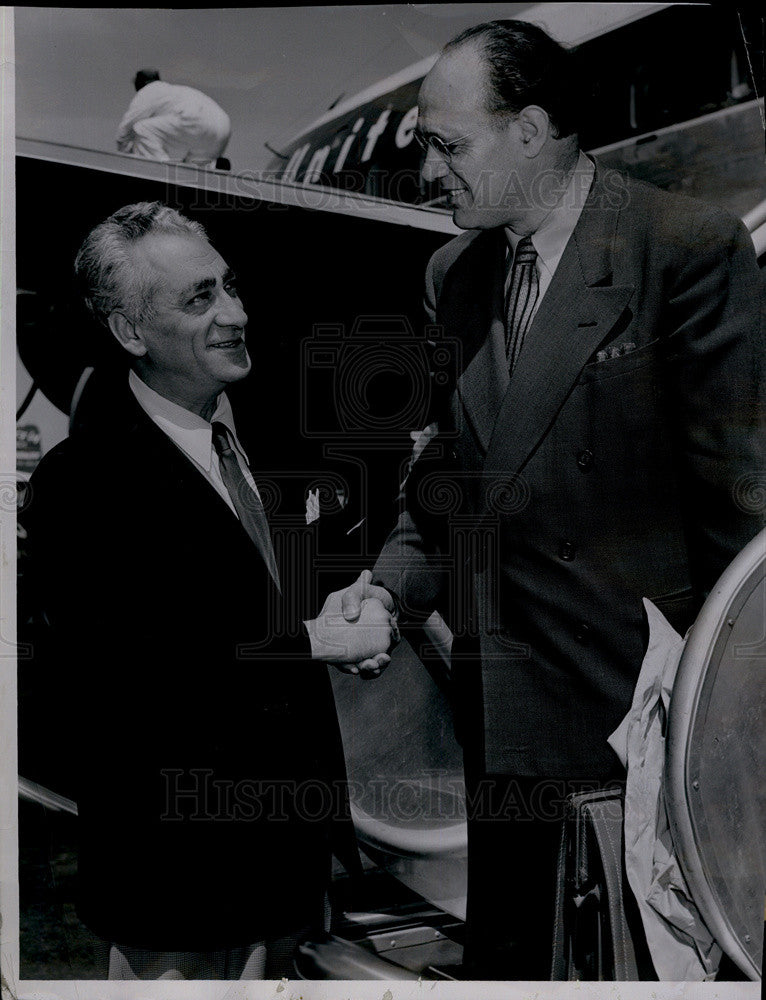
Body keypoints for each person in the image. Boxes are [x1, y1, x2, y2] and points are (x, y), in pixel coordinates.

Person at [336, 19, 765, 979]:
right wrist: (387, 590)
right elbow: (448, 473)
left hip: (637, 735)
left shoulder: (682, 250)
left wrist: (732, 738)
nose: (428, 173)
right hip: (502, 720)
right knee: (515, 965)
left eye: (449, 146)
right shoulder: (454, 275)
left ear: (531, 131)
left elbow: (746, 515)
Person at [19, 202, 394, 980]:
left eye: (229, 286)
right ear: (129, 334)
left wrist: (324, 614)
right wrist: (311, 642)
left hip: (294, 871)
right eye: (200, 299)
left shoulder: (260, 448)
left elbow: (242, 614)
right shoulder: (82, 482)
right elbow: (130, 669)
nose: (236, 313)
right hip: (181, 890)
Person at [116, 69, 231, 168]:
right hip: (223, 126)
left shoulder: (149, 90)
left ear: (140, 82)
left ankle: (159, 173)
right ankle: (214, 169)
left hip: (196, 121)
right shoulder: (174, 91)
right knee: (193, 169)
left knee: (142, 129)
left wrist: (123, 159)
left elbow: (126, 128)